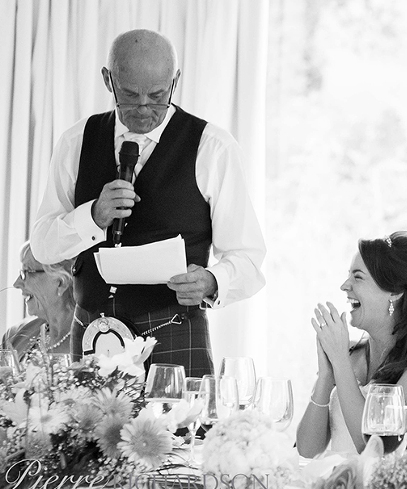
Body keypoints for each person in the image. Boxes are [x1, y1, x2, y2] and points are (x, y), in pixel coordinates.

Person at [30, 29, 266, 377]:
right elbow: (42, 245)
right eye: (129, 95)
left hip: (173, 333)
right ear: (108, 80)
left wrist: (212, 281)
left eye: (157, 96)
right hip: (92, 332)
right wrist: (93, 216)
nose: (143, 109)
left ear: (176, 81)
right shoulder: (75, 142)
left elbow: (248, 258)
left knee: (183, 418)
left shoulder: (214, 148)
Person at [296, 231, 407, 457]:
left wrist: (340, 362)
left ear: (394, 292)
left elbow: (374, 447)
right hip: (332, 477)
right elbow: (307, 451)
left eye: (358, 277)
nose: (345, 286)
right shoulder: (351, 354)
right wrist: (326, 376)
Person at [1, 241, 75, 362]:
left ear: (62, 282)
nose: (16, 283)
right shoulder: (15, 336)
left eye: (27, 272)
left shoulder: (94, 339)